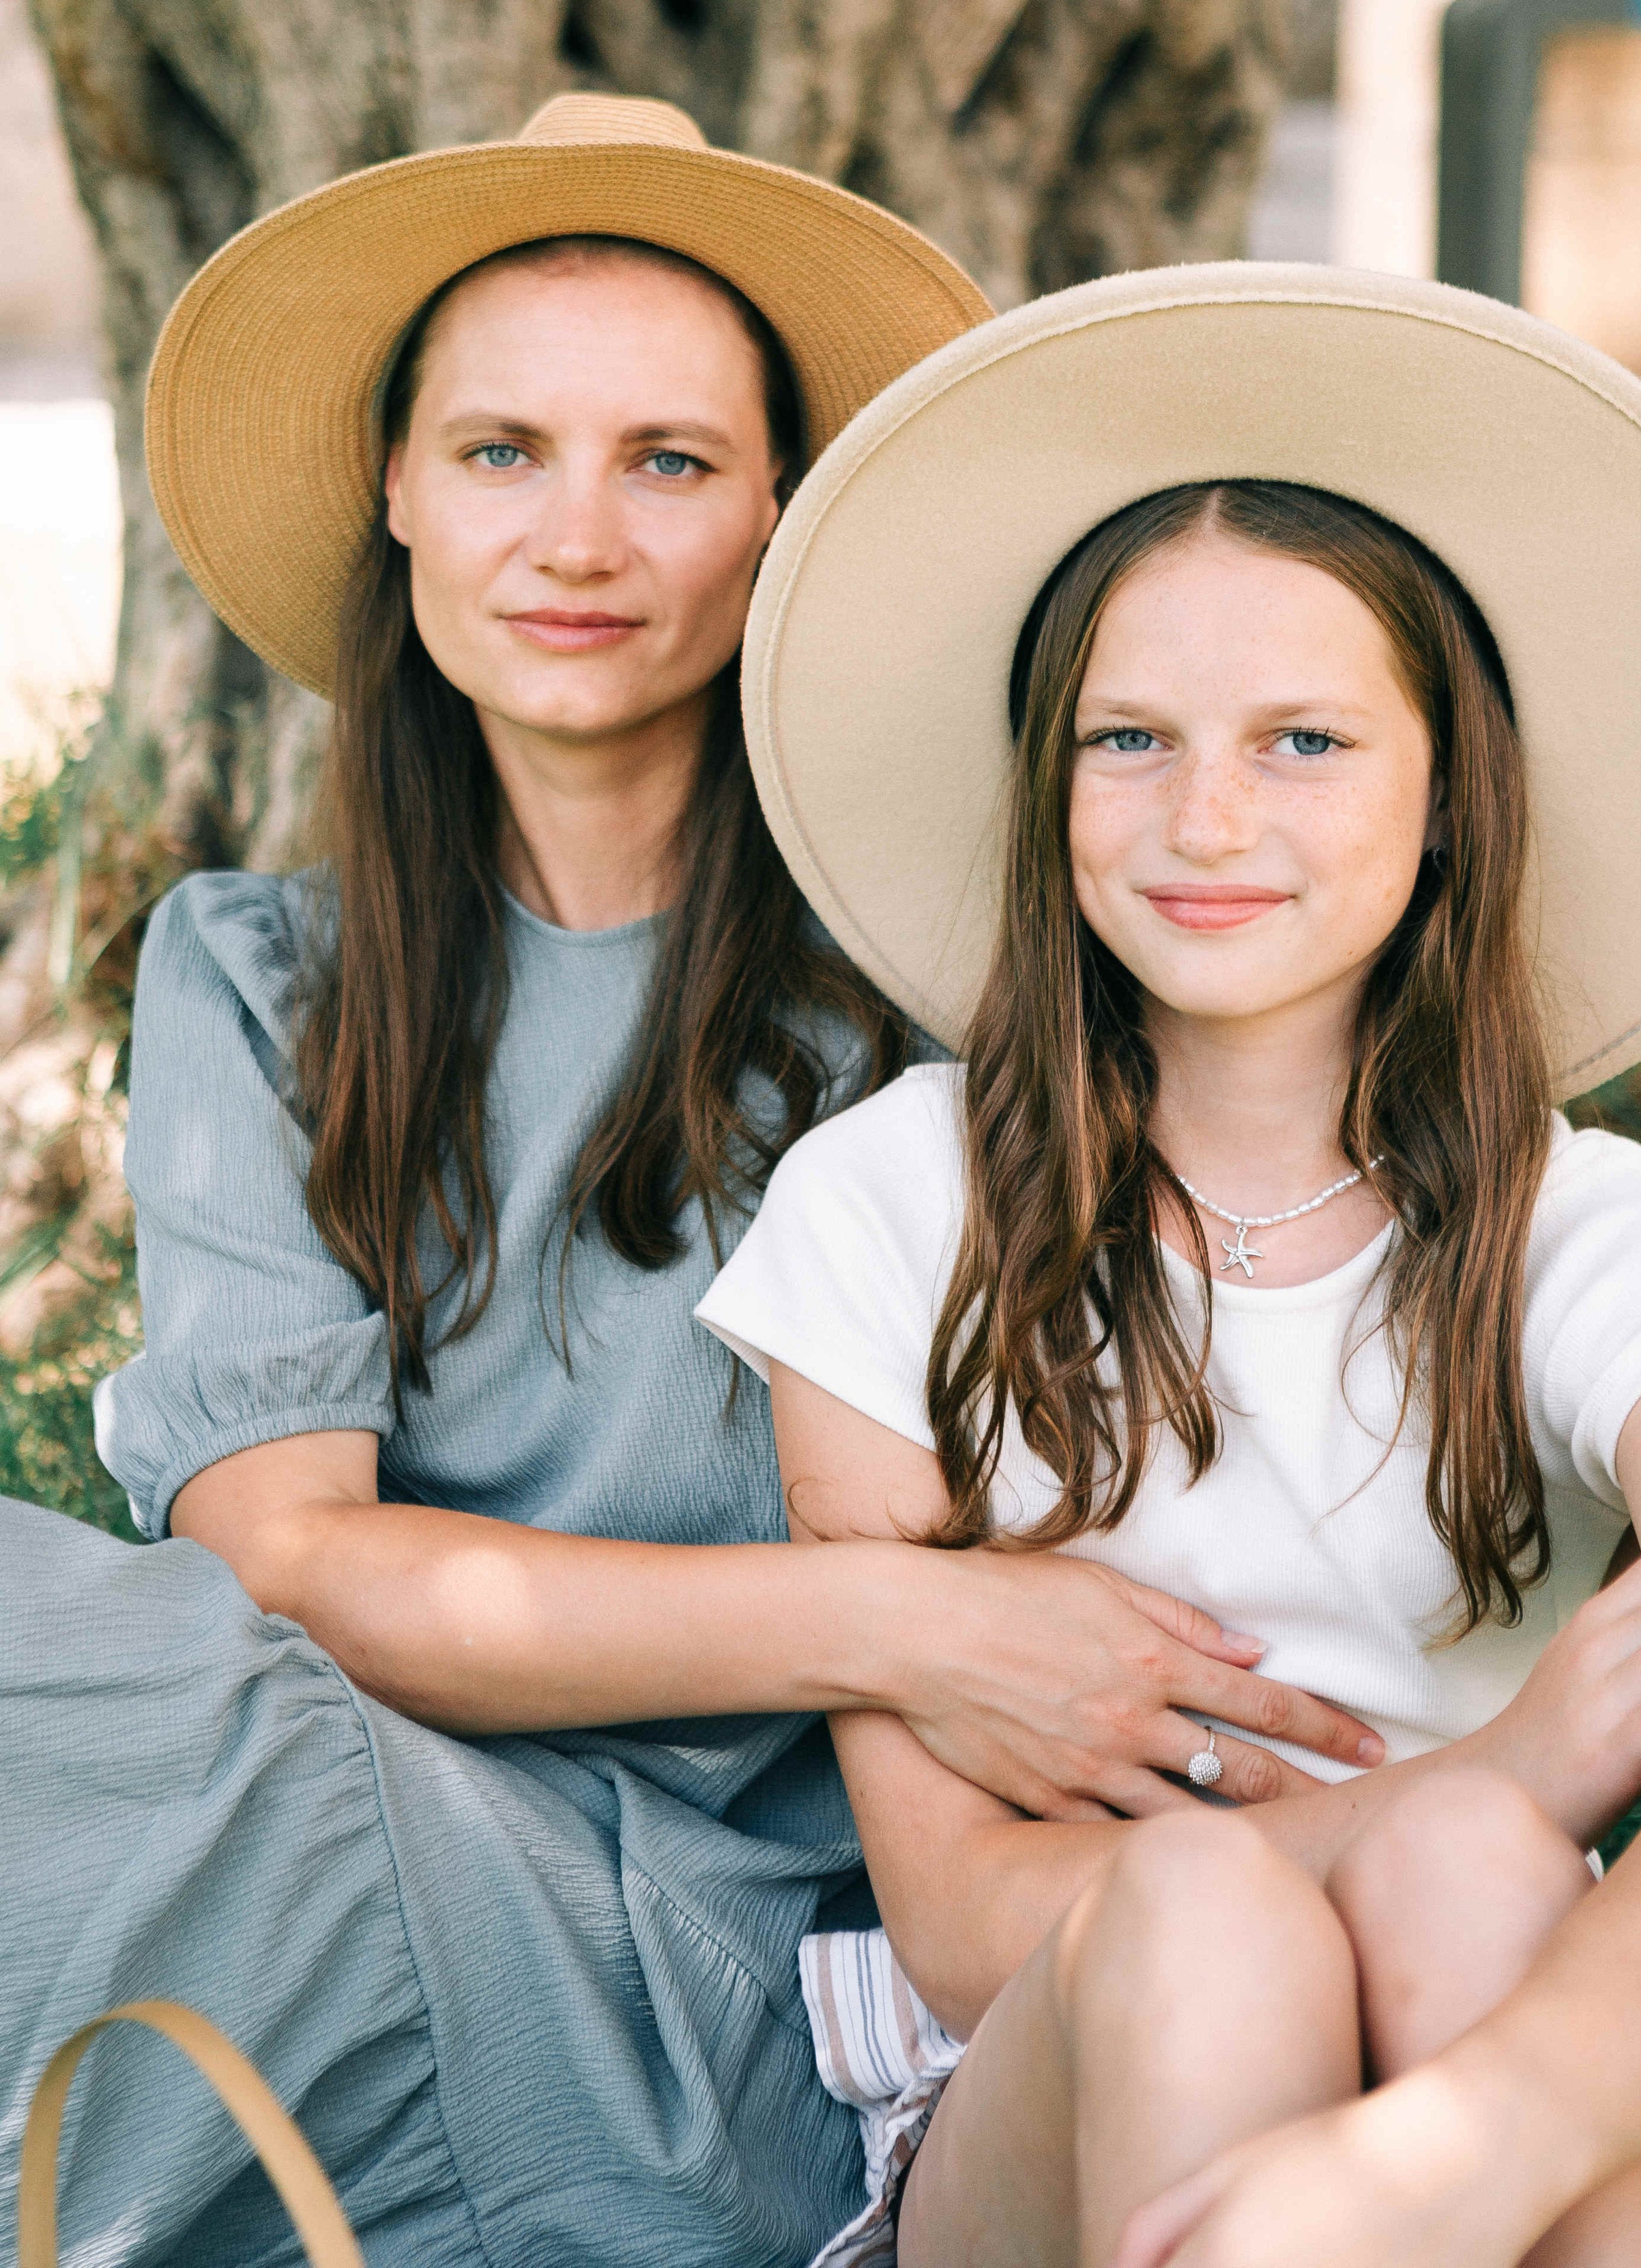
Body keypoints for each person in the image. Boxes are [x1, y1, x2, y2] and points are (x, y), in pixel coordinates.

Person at [0, 115, 1377, 2266]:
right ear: (396, 494)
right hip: (347, 1813)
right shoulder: (258, 982)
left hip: (765, 1962)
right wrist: (901, 1620)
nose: (578, 538)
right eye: (499, 453)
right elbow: (294, 1563)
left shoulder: (937, 1003)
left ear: (783, 517)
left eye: (669, 461)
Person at [698, 262, 1641, 2265]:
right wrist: (1527, 1764)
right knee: (1221, 1902)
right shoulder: (887, 1207)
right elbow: (961, 1917)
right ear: (1049, 782)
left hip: (1506, 2065)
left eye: (1306, 742)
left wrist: (1448, 2156)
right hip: (1064, 2075)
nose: (1204, 817)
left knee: (1468, 1877)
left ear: (1450, 799)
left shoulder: (1573, 1228)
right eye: (1128, 739)